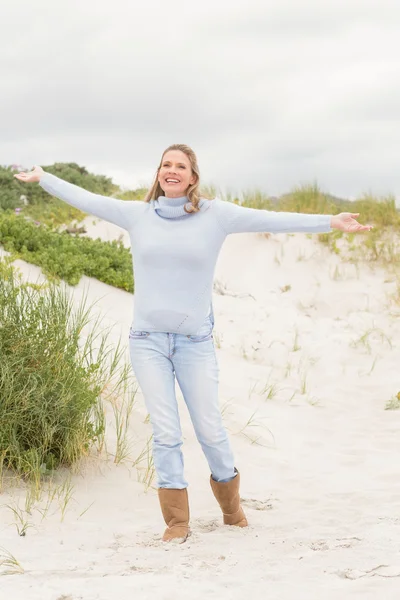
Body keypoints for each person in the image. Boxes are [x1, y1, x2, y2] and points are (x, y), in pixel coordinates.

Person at [14, 144, 372, 543]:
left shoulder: (215, 216)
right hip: (147, 341)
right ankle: (176, 522)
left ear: (192, 176)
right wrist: (44, 178)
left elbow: (271, 217)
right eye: (165, 165)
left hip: (194, 343)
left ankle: (231, 508)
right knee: (165, 431)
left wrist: (330, 221)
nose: (171, 171)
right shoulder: (138, 215)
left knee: (210, 429)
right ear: (158, 173)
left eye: (180, 166)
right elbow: (90, 199)